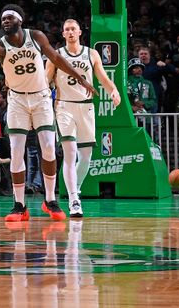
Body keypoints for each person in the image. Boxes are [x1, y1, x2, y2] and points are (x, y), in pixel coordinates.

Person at [0, 4, 95, 222]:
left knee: (48, 149)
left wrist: (80, 78)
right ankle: (19, 206)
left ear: (19, 20)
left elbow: (55, 58)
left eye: (9, 17)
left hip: (41, 96)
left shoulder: (35, 36)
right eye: (2, 18)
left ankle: (50, 200)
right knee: (17, 152)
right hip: (17, 100)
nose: (5, 20)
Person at [46, 19, 121, 218]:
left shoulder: (92, 53)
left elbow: (103, 78)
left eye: (73, 29)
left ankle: (75, 188)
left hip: (86, 108)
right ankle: (73, 200)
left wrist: (114, 91)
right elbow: (46, 81)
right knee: (70, 153)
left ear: (79, 32)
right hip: (64, 107)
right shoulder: (56, 55)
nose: (70, 32)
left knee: (86, 156)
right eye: (66, 29)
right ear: (63, 34)